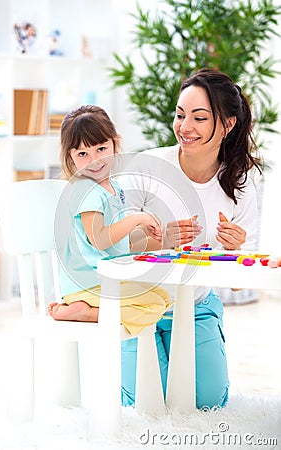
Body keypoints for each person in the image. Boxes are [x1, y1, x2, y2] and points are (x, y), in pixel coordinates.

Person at [120, 68, 262, 409]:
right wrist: (161, 239)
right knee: (144, 401)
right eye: (180, 115)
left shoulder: (240, 183)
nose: (185, 127)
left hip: (196, 307)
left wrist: (237, 252)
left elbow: (244, 284)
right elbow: (114, 247)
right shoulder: (150, 165)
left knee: (208, 402)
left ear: (227, 125)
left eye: (199, 118)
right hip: (137, 306)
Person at [48, 105, 171, 336]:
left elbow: (117, 242)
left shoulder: (113, 186)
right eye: (83, 154)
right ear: (70, 158)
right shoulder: (86, 189)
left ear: (116, 143)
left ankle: (90, 309)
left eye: (101, 148)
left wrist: (149, 235)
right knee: (154, 305)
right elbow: (100, 240)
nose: (94, 160)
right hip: (86, 284)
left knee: (163, 298)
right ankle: (83, 312)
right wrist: (137, 218)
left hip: (107, 279)